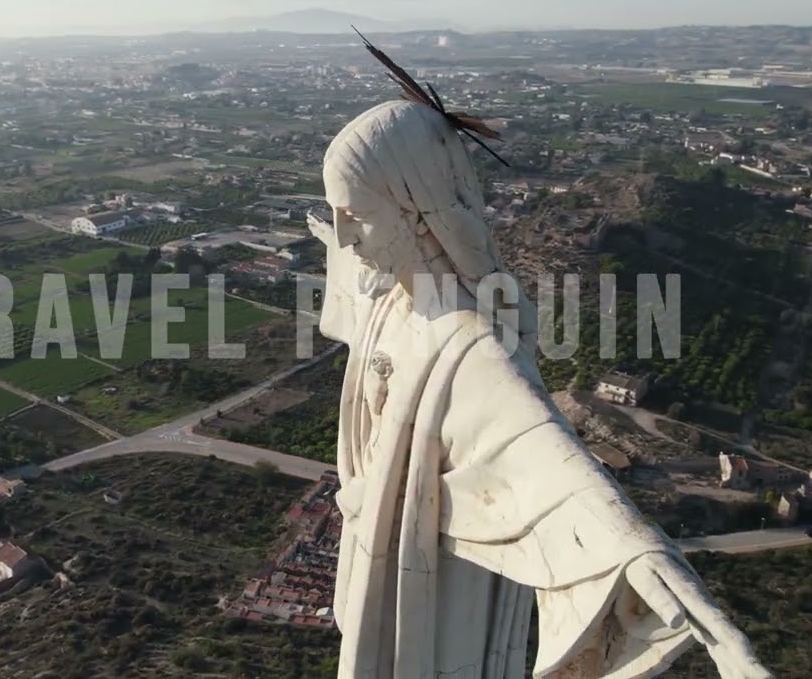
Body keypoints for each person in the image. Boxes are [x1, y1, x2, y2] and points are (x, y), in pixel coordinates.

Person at [312, 99, 771, 679]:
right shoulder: (391, 300)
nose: (345, 234)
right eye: (337, 216)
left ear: (417, 212)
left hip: (436, 585)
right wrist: (334, 250)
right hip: (376, 547)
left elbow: (546, 458)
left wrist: (640, 555)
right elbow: (354, 300)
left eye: (356, 214)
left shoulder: (471, 346)